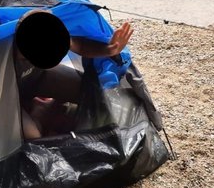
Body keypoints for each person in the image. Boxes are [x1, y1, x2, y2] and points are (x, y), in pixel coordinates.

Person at [13, 10, 133, 139]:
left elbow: (79, 46)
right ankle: (38, 112)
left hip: (38, 77)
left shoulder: (47, 31)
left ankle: (45, 107)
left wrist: (110, 50)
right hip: (8, 96)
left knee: (92, 92)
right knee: (33, 136)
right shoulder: (4, 55)